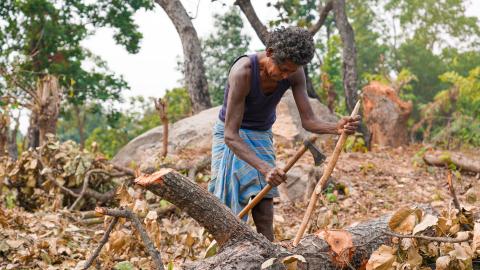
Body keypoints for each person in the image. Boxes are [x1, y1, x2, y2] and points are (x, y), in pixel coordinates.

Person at [208, 26, 360, 242]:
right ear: (270, 53)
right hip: (231, 136)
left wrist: (336, 127)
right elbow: (231, 136)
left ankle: (269, 258)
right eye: (283, 69)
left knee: (264, 206)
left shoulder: (294, 72)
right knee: (227, 210)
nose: (285, 76)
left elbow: (308, 121)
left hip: (261, 134)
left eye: (291, 71)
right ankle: (230, 254)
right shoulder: (243, 72)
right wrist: (266, 168)